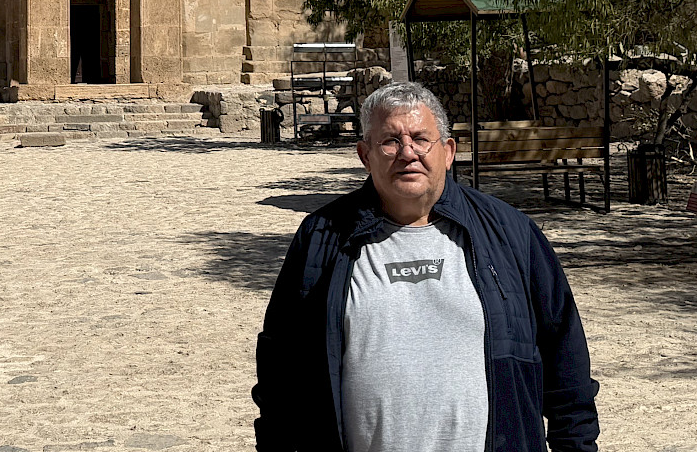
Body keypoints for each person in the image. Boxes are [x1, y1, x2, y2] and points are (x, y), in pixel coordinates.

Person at [252, 82, 599, 452]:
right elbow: (280, 369)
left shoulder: (510, 233)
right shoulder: (323, 237)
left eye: (421, 139)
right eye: (390, 141)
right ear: (365, 155)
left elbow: (566, 362)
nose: (408, 153)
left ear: (448, 151)